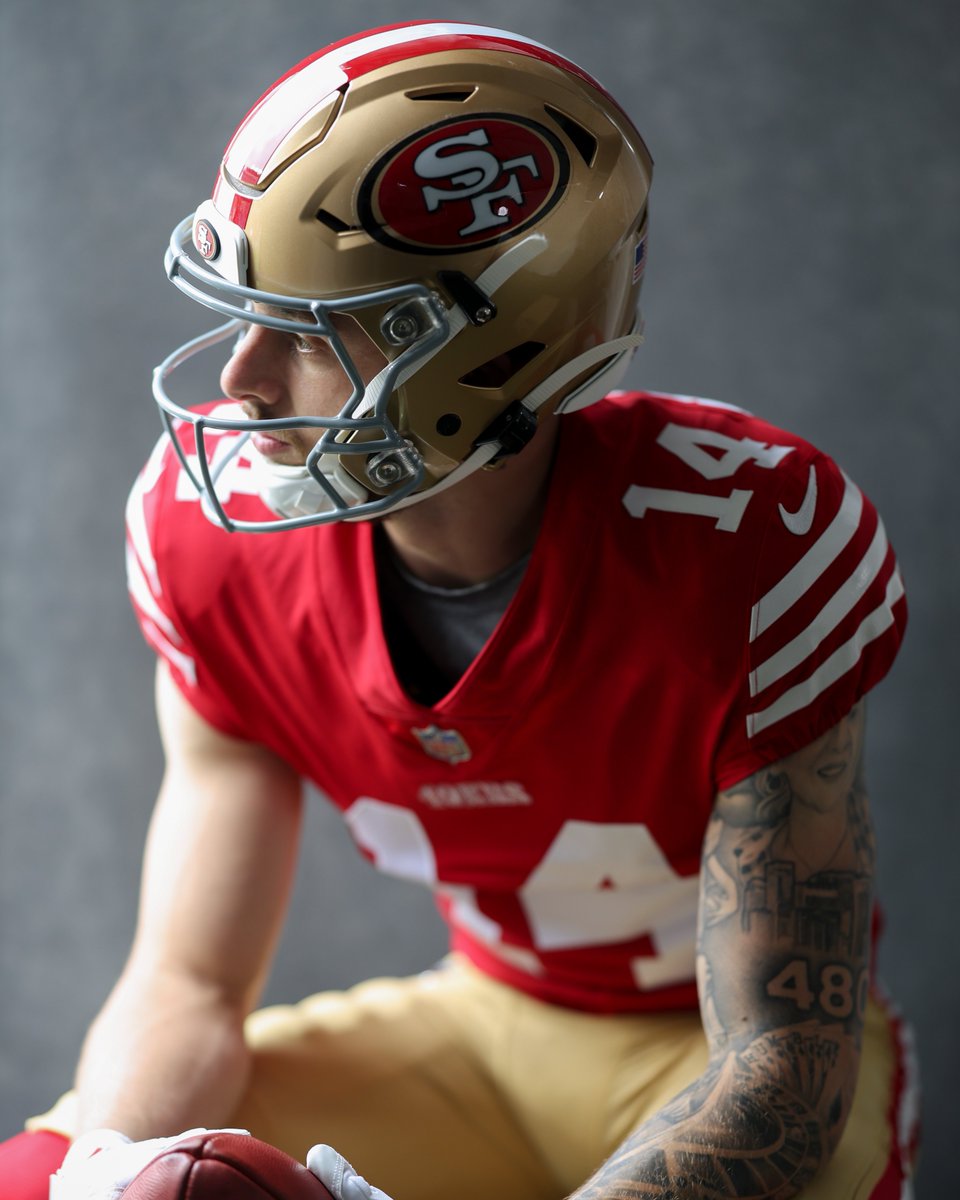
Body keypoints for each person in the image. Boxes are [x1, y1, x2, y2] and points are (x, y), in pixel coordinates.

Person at [3, 20, 918, 1200]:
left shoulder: (745, 542)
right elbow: (186, 984)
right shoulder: (205, 542)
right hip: (483, 1027)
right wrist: (105, 1182)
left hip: (711, 1061)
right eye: (246, 313)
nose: (239, 379)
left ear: (486, 354)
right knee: (49, 1180)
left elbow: (783, 1068)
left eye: (310, 329)